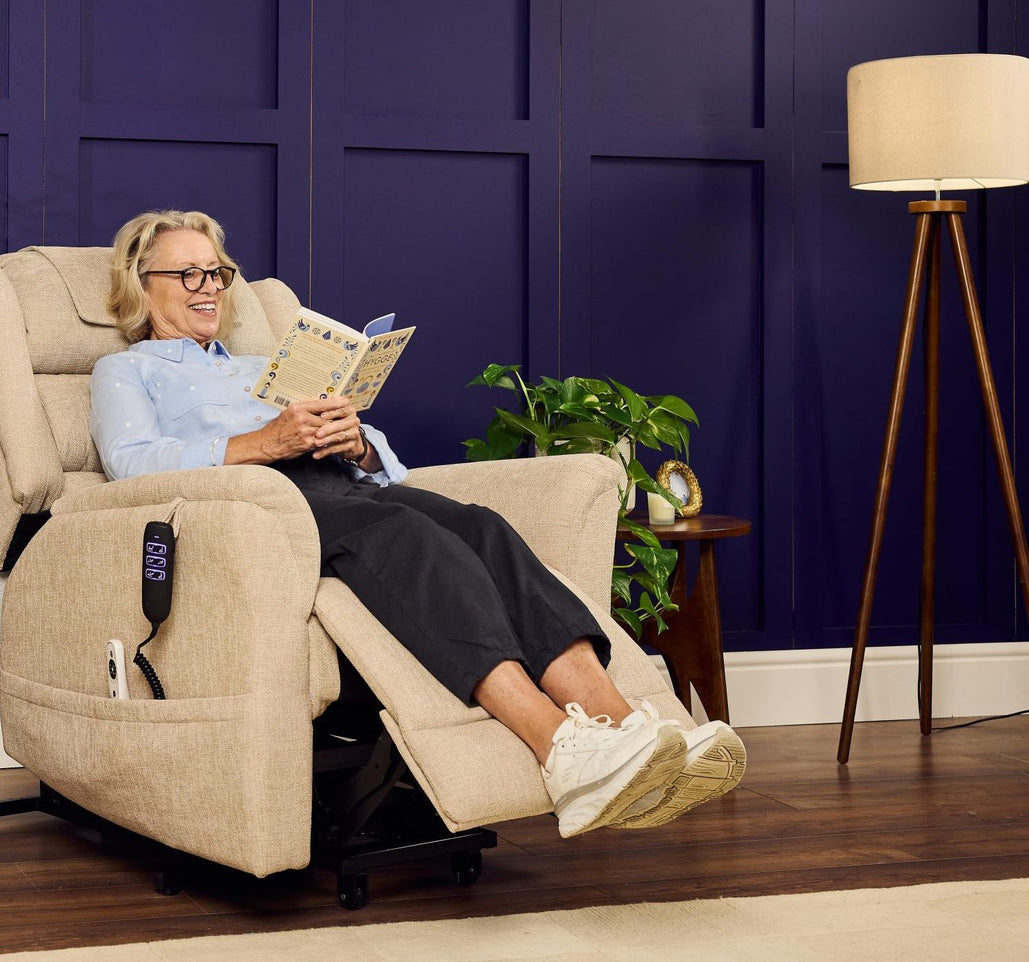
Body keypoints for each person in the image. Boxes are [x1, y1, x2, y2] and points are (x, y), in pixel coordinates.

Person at [89, 210, 745, 838]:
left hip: (338, 485)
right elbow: (130, 465)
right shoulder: (125, 370)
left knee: (480, 526)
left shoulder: (260, 366)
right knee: (406, 538)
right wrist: (266, 441)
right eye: (188, 274)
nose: (208, 288)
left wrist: (356, 440)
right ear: (138, 285)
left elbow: (385, 468)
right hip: (255, 508)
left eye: (217, 272)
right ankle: (563, 752)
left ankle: (627, 731)